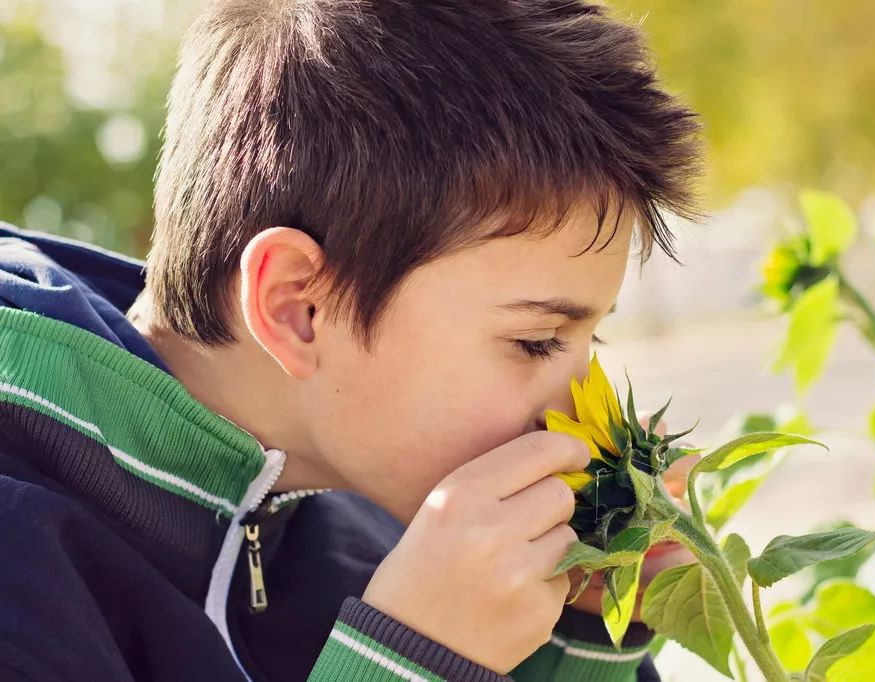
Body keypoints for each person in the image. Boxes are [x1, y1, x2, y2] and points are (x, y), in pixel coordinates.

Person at [0, 1, 702, 679]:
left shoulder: (375, 518)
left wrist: (572, 639)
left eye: (592, 338)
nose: (580, 407)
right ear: (298, 306)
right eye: (536, 341)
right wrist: (406, 664)